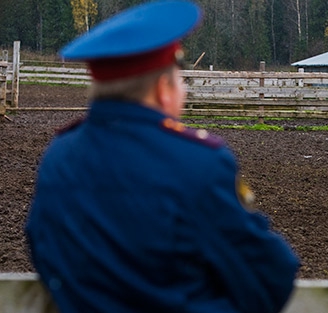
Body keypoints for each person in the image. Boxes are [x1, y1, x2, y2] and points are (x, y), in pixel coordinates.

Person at [25, 1, 299, 312]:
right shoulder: (199, 163)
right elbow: (269, 275)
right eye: (180, 79)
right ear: (163, 88)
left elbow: (42, 249)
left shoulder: (59, 156)